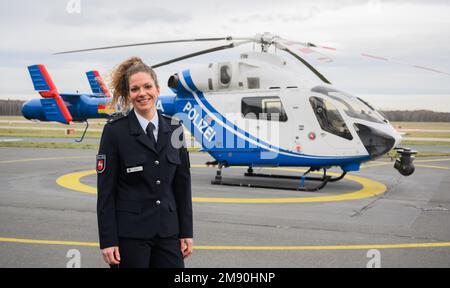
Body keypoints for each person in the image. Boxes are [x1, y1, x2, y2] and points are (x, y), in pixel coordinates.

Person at [96, 57, 193, 268]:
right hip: (130, 236)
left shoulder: (175, 128)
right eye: (135, 89)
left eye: (147, 86)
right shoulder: (115, 132)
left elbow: (182, 186)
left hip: (168, 233)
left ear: (157, 89)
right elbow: (106, 192)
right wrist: (108, 240)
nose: (142, 93)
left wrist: (186, 232)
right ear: (129, 94)